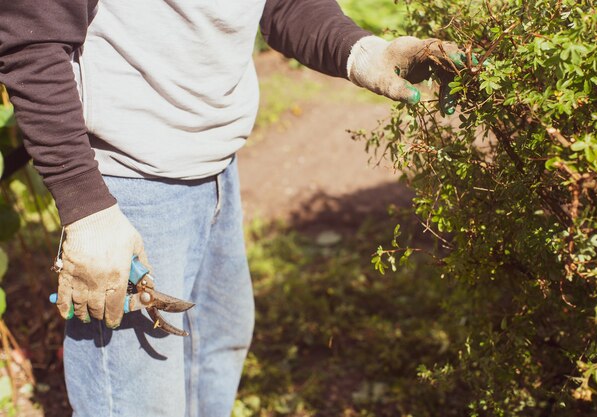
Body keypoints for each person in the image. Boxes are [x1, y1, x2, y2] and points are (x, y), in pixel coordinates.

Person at [0, 1, 466, 416]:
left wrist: (361, 52)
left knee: (217, 353)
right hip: (125, 189)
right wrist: (86, 209)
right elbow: (30, 40)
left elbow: (281, 6)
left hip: (217, 167)